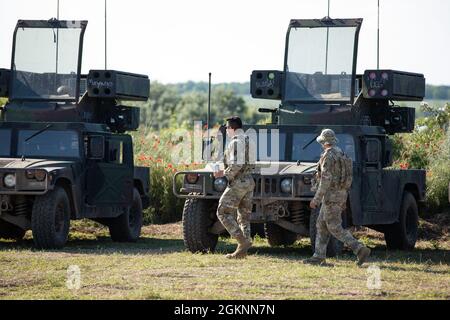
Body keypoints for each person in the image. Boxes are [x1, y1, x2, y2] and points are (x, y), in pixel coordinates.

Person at [304, 128, 371, 266]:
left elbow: (325, 180)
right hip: (340, 194)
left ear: (324, 142)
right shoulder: (342, 154)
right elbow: (348, 178)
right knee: (321, 225)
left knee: (335, 227)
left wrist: (316, 199)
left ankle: (359, 249)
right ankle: (318, 256)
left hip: (330, 197)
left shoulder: (328, 156)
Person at [215, 116, 255, 259]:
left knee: (222, 211)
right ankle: (242, 251)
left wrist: (223, 174)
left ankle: (242, 242)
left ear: (232, 128)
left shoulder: (236, 142)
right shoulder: (249, 140)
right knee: (243, 217)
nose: (226, 131)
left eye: (227, 128)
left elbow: (237, 164)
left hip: (239, 182)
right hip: (249, 181)